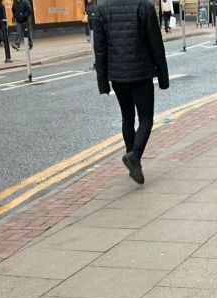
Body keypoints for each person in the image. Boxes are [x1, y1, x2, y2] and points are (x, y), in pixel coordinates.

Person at [93, 0, 169, 185]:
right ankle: (134, 156)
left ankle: (133, 162)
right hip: (141, 73)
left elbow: (100, 49)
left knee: (127, 117)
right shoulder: (144, 6)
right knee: (145, 118)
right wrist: (163, 76)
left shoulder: (102, 9)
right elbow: (155, 44)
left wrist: (103, 82)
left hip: (118, 75)